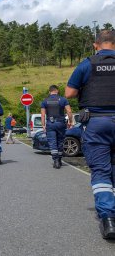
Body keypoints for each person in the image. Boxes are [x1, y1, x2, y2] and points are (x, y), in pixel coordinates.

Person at [65, 30, 115, 239]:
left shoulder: (87, 64)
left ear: (96, 45)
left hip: (97, 123)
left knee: (101, 171)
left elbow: (69, 93)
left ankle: (109, 220)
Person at [41, 85, 73, 169]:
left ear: (49, 91)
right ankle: (59, 159)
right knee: (60, 142)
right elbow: (69, 111)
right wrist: (70, 122)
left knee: (52, 142)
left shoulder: (45, 101)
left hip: (50, 124)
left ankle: (55, 160)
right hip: (61, 123)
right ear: (57, 91)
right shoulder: (63, 99)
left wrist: (43, 125)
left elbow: (43, 115)